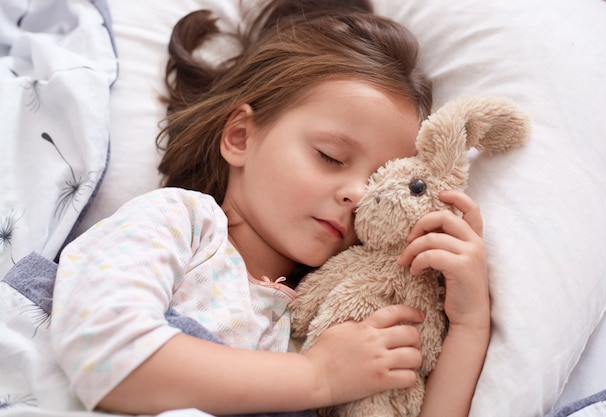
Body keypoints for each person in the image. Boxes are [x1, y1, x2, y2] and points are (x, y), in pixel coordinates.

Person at [49, 1, 490, 416]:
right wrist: (318, 376)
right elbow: (104, 352)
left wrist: (469, 323)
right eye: (330, 156)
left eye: (377, 181)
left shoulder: (330, 320)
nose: (356, 194)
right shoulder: (179, 224)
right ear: (241, 136)